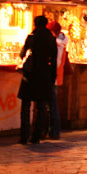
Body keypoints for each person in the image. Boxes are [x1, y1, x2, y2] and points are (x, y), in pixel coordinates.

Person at [17, 15, 57, 144]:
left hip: (30, 75)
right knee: (41, 107)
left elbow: (23, 54)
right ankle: (37, 136)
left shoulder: (32, 37)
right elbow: (54, 61)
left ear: (35, 23)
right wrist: (52, 78)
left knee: (26, 106)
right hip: (44, 75)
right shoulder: (51, 39)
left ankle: (24, 135)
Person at [47, 21, 67, 140]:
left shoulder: (58, 44)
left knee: (52, 105)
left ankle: (54, 131)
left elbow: (57, 62)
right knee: (52, 105)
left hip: (52, 77)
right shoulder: (60, 43)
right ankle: (53, 131)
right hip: (55, 77)